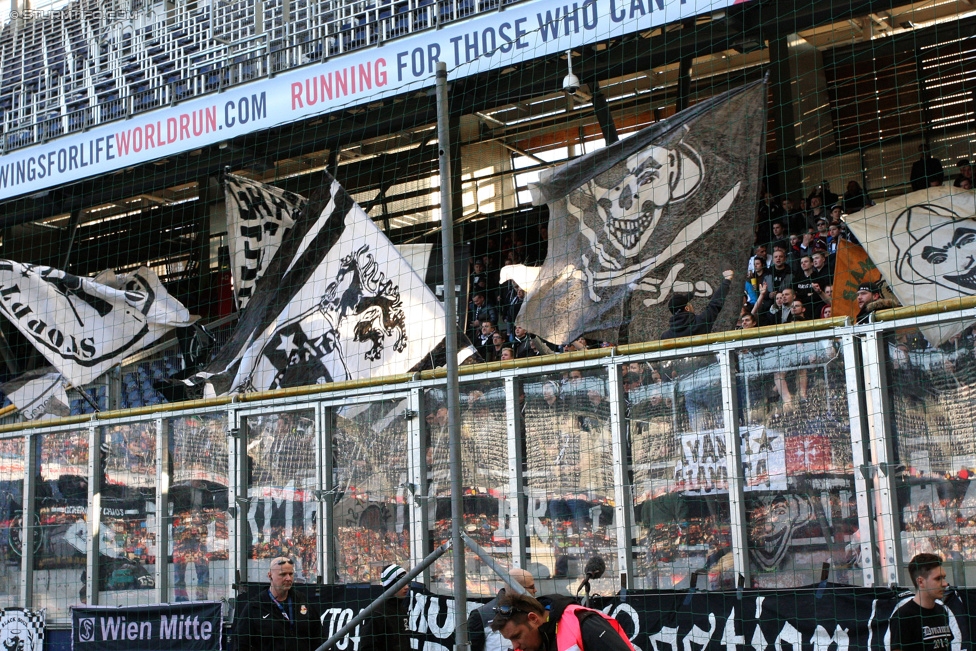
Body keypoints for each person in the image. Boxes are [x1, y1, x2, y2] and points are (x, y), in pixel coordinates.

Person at [490, 589, 634, 651]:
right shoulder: (534, 643)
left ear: (533, 619)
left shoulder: (586, 624)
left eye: (517, 636)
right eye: (510, 640)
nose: (515, 646)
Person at [235, 557, 322, 651]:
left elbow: (319, 637)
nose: (288, 578)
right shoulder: (255, 606)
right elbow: (241, 643)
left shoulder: (302, 601)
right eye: (283, 574)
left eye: (291, 574)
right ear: (270, 575)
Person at [886, 553, 959, 651]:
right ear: (920, 582)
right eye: (938, 579)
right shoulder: (903, 616)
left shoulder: (942, 611)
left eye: (944, 578)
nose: (945, 584)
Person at [468, 569, 538, 651]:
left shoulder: (538, 608)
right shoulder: (481, 615)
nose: (535, 590)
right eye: (531, 587)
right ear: (516, 588)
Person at [660, 270, 734, 339]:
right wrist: (727, 280)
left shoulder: (666, 336)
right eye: (690, 304)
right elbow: (715, 303)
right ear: (687, 308)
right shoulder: (701, 322)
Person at [360, 564, 411, 651]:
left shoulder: (401, 609)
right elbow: (367, 646)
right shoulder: (377, 613)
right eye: (402, 584)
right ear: (391, 585)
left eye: (407, 583)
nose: (407, 587)